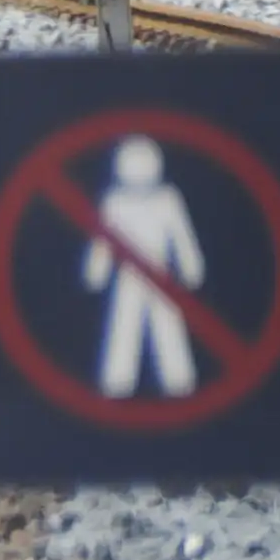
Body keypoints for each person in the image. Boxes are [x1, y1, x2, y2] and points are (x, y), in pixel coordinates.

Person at [84, 135, 205, 397]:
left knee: (168, 325)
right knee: (124, 326)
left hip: (160, 273)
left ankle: (179, 380)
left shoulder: (168, 199)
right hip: (130, 275)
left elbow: (181, 235)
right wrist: (97, 269)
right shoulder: (114, 201)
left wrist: (191, 266)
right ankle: (117, 382)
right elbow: (104, 239)